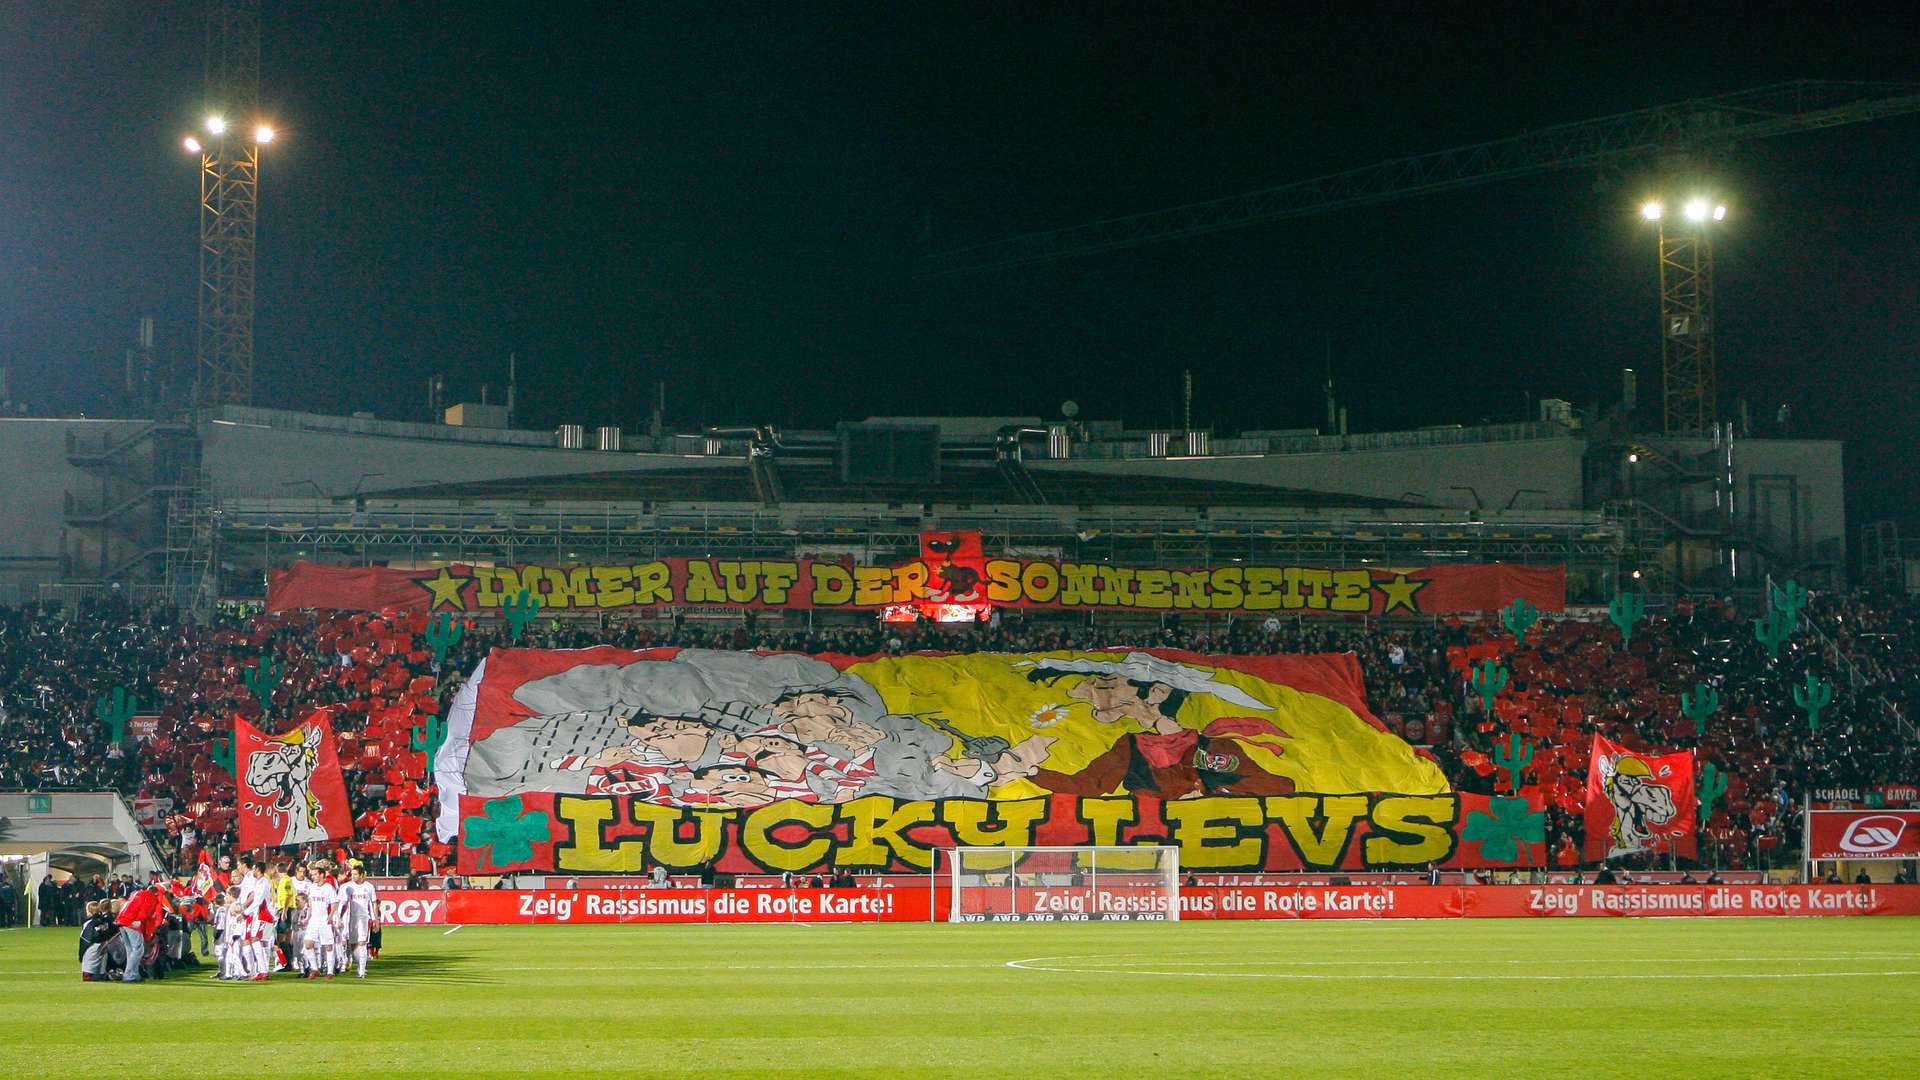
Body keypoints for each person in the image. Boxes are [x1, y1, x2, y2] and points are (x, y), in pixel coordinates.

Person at [112, 883, 163, 982]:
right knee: (138, 950)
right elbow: (145, 910)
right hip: (133, 922)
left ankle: (134, 974)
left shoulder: (136, 894)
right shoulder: (151, 897)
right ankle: (129, 976)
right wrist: (140, 920)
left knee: (130, 950)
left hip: (122, 921)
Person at [338, 866, 379, 979]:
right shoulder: (347, 887)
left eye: (355, 874)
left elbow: (374, 903)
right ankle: (355, 962)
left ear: (361, 875)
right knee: (353, 945)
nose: (353, 876)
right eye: (352, 874)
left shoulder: (369, 887)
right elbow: (342, 903)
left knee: (362, 943)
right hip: (351, 919)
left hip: (364, 918)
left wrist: (376, 919)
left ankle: (362, 970)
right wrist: (338, 918)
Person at [78, 900, 121, 981]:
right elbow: (115, 931)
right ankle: (109, 975)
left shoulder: (89, 923)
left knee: (87, 977)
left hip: (92, 948)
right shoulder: (105, 920)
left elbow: (85, 940)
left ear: (89, 911)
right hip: (104, 946)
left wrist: (81, 955)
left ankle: (111, 976)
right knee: (101, 972)